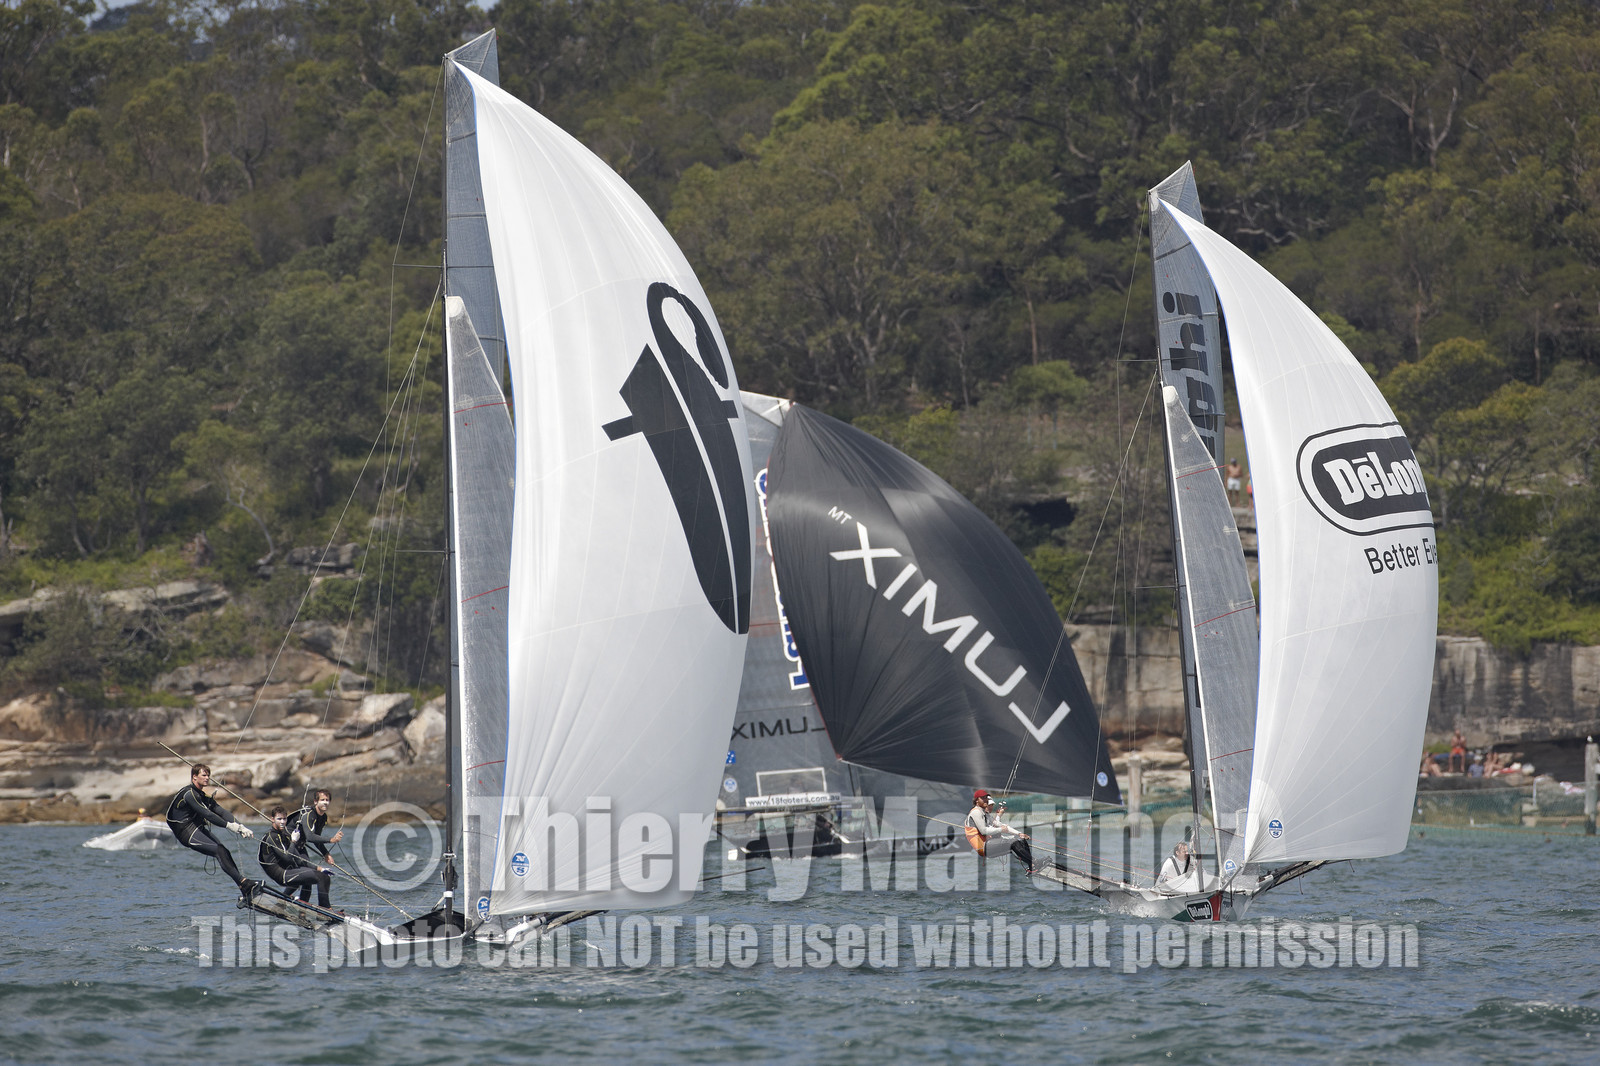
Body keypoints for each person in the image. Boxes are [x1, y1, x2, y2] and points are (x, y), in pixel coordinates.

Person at [165, 764, 256, 894]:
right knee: (218, 850)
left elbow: (221, 811)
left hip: (196, 828)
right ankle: (243, 883)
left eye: (208, 775)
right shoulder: (189, 794)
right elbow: (208, 814)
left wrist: (241, 826)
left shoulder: (202, 795)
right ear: (194, 777)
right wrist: (229, 826)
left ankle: (243, 886)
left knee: (223, 851)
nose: (207, 778)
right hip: (186, 832)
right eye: (204, 775)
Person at [259, 805, 334, 908]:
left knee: (318, 875)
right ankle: (326, 909)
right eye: (279, 819)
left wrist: (320, 868)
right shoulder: (272, 837)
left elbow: (299, 859)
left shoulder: (284, 835)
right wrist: (293, 841)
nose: (282, 822)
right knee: (321, 877)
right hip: (281, 874)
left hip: (287, 870)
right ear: (272, 819)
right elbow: (288, 858)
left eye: (284, 819)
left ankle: (302, 912)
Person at [286, 789, 344, 903]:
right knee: (307, 874)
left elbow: (317, 838)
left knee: (307, 877)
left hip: (300, 846)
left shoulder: (323, 817)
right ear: (316, 802)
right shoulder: (309, 814)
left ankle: (303, 905)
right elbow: (310, 837)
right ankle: (282, 898)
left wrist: (326, 854)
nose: (325, 802)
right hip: (288, 844)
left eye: (327, 800)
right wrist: (331, 840)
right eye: (322, 800)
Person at [964, 789, 1035, 873]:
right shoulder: (976, 812)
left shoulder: (984, 814)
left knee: (1019, 840)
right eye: (982, 798)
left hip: (989, 843)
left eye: (986, 797)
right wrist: (1001, 829)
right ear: (976, 801)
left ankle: (1032, 866)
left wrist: (1019, 833)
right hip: (983, 847)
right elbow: (983, 831)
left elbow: (999, 824)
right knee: (1012, 843)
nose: (986, 799)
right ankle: (1034, 863)